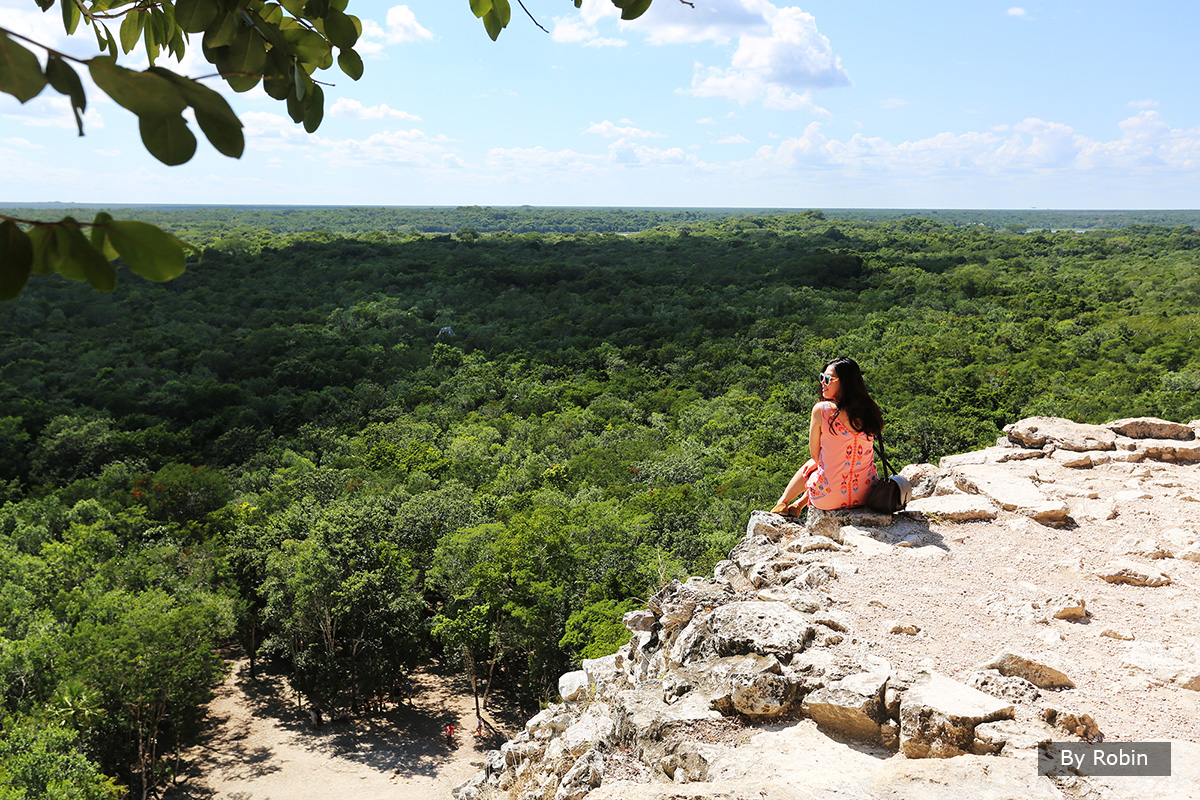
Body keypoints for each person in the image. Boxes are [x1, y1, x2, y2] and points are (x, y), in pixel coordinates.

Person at [771, 357, 883, 520]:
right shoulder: (870, 410)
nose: (823, 382)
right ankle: (799, 505)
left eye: (828, 379)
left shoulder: (822, 410)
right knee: (828, 467)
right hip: (867, 495)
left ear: (844, 382)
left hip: (828, 500)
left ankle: (782, 503)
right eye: (822, 377)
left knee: (812, 464)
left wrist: (816, 461)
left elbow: (816, 456)